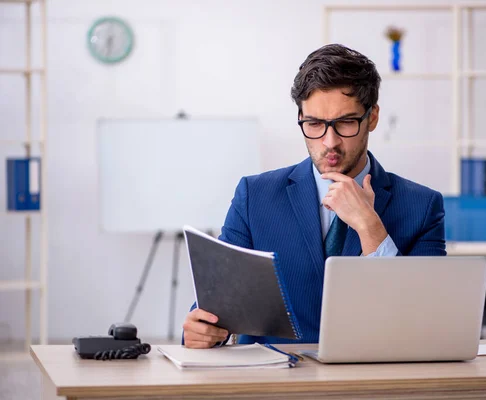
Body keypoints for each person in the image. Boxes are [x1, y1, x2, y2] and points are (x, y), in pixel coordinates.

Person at [182, 44, 446, 349]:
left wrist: (370, 228)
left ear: (372, 117)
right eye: (314, 124)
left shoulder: (422, 207)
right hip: (277, 384)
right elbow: (218, 305)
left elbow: (427, 323)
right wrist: (202, 329)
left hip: (374, 382)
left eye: (346, 122)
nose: (329, 142)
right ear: (300, 117)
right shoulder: (255, 196)